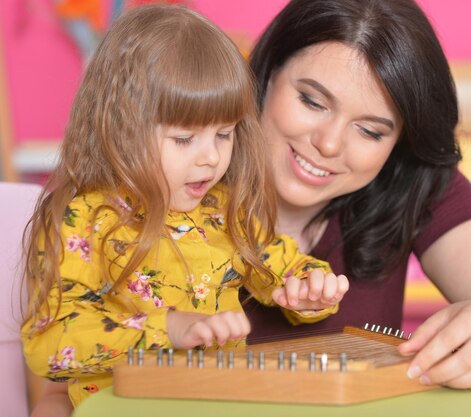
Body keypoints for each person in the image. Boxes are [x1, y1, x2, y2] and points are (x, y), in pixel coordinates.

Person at [20, 4, 349, 413]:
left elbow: (280, 264)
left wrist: (308, 287)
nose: (211, 158)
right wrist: (168, 330)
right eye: (183, 139)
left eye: (224, 135)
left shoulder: (223, 210)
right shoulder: (80, 219)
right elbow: (48, 346)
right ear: (120, 128)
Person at [242, 0, 471, 392]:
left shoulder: (413, 183)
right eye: (312, 101)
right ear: (268, 73)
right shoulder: (184, 165)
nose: (328, 144)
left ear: (399, 142)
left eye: (371, 131)